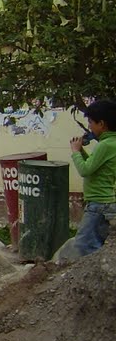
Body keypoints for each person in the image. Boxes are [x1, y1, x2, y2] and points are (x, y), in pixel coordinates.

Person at [64, 99, 116, 258]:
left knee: (83, 246)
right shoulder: (110, 143)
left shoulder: (105, 145)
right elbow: (92, 166)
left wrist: (74, 152)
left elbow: (85, 170)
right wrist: (81, 150)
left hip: (99, 205)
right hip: (105, 204)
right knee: (98, 246)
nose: (89, 127)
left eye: (91, 122)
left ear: (102, 124)